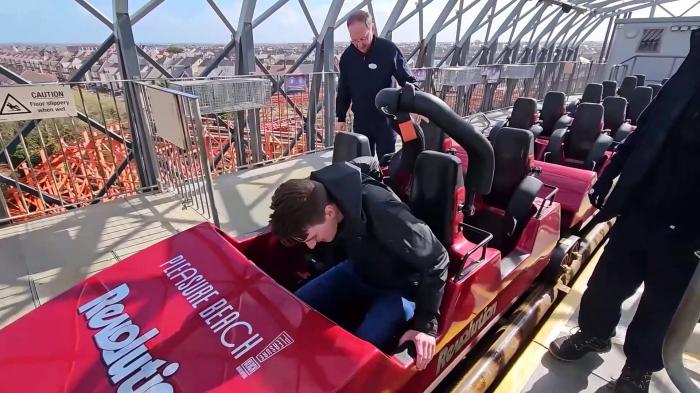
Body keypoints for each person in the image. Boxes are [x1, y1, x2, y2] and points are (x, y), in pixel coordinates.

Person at [549, 28, 700, 393]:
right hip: (643, 203)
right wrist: (610, 175)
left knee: (661, 300)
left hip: (690, 223)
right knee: (607, 282)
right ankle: (593, 334)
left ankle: (638, 367)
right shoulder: (690, 72)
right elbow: (648, 128)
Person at [269, 159, 449, 370]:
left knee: (360, 349)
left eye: (312, 236)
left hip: (399, 288)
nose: (310, 246)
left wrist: (425, 326)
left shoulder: (383, 209)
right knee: (293, 306)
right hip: (358, 270)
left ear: (329, 212)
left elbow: (438, 258)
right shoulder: (315, 198)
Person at [336, 10, 417, 159]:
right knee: (363, 163)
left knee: (387, 163)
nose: (359, 44)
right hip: (361, 121)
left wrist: (418, 105)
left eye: (363, 38)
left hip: (386, 121)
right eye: (354, 41)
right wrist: (340, 117)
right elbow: (344, 90)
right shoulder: (347, 57)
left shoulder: (388, 50)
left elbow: (408, 80)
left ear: (372, 29)